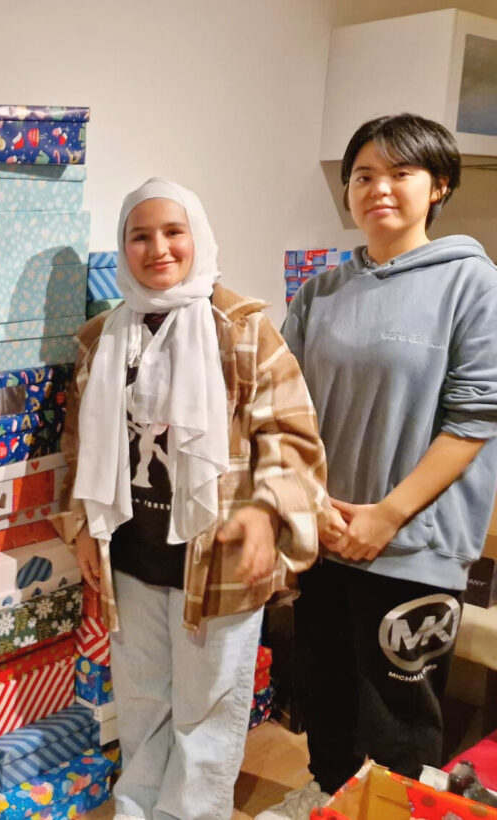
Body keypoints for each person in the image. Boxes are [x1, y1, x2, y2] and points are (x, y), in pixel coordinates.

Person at [52, 177, 330, 820]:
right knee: (144, 702)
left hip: (218, 560)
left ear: (197, 236)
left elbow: (292, 435)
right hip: (133, 554)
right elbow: (80, 447)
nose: (158, 248)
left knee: (208, 714)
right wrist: (86, 530)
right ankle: (137, 808)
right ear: (122, 248)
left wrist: (265, 512)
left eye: (173, 231)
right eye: (139, 235)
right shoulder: (101, 339)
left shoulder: (241, 329)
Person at [257, 113, 497, 820]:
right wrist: (312, 511)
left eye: (400, 173)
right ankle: (336, 803)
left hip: (411, 546)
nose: (378, 188)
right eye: (363, 175)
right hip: (327, 537)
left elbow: (476, 418)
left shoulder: (472, 283)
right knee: (324, 703)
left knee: (399, 721)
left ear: (438, 185)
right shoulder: (323, 290)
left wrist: (387, 516)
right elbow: (285, 406)